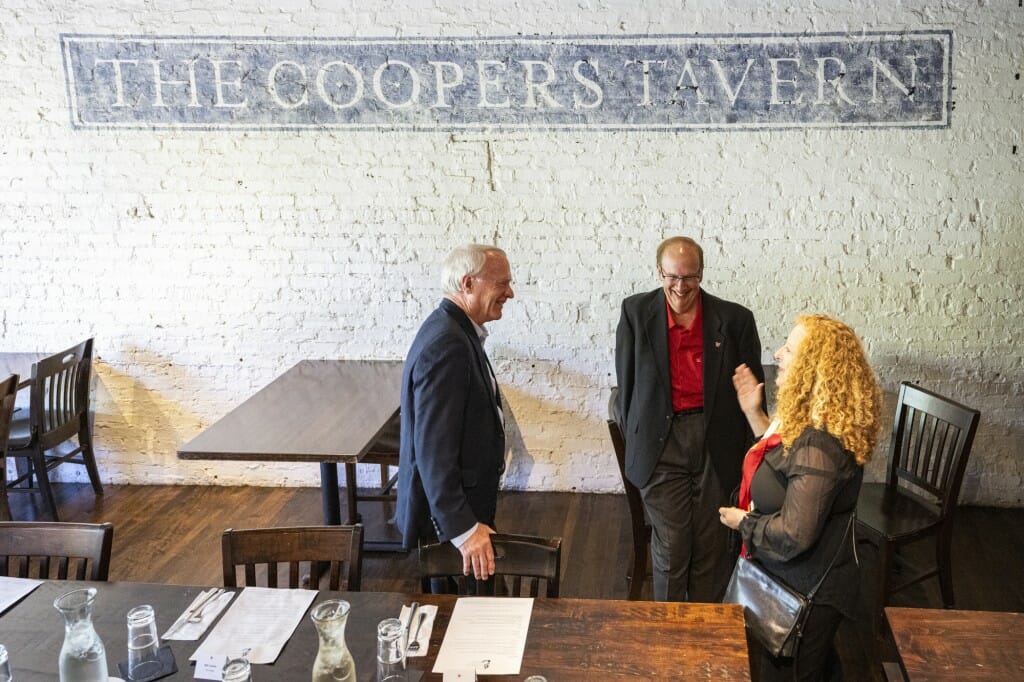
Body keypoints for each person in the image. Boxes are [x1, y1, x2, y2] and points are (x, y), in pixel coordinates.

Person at [719, 314, 882, 681]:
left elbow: (795, 532)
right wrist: (754, 413)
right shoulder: (811, 423)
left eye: (789, 349)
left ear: (813, 366)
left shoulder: (819, 441)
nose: (778, 354)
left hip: (808, 590)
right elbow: (785, 466)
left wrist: (743, 522)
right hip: (790, 577)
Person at [615, 236, 764, 602]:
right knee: (672, 542)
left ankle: (702, 626)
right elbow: (627, 386)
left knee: (710, 543)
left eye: (690, 277)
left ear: (701, 273)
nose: (681, 287)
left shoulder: (734, 320)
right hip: (661, 441)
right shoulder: (635, 313)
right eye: (672, 277)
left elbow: (753, 391)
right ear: (659, 272)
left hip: (715, 439)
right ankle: (667, 629)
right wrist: (639, 440)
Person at [396, 243, 514, 582]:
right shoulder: (447, 345)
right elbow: (433, 451)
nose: (510, 292)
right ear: (468, 284)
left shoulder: (456, 329)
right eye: (502, 283)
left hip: (461, 514)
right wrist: (463, 529)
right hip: (450, 528)